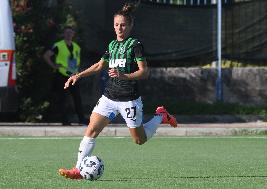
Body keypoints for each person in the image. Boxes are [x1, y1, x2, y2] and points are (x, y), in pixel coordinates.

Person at [58, 2, 178, 179]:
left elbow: (144, 72)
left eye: (123, 25)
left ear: (130, 26)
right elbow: (100, 65)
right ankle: (77, 169)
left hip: (129, 99)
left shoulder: (135, 45)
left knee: (139, 140)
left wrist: (125, 76)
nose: (119, 28)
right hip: (109, 96)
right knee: (91, 130)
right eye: (116, 25)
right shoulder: (112, 45)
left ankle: (161, 115)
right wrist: (79, 75)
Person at [43, 26, 87, 125]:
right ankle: (65, 120)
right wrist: (54, 65)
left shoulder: (76, 47)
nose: (68, 35)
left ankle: (82, 119)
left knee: (77, 98)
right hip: (61, 74)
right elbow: (46, 55)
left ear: (73, 34)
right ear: (64, 34)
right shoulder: (58, 45)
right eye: (66, 33)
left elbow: (77, 61)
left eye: (70, 33)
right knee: (63, 98)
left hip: (73, 75)